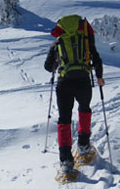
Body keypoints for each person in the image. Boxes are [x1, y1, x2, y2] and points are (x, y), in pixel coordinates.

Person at [44, 14, 104, 175]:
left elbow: (48, 66)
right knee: (84, 110)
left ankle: (66, 162)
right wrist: (99, 76)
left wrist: (57, 63)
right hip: (83, 81)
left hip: (64, 83)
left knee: (64, 120)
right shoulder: (84, 38)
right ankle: (84, 147)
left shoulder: (58, 40)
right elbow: (96, 57)